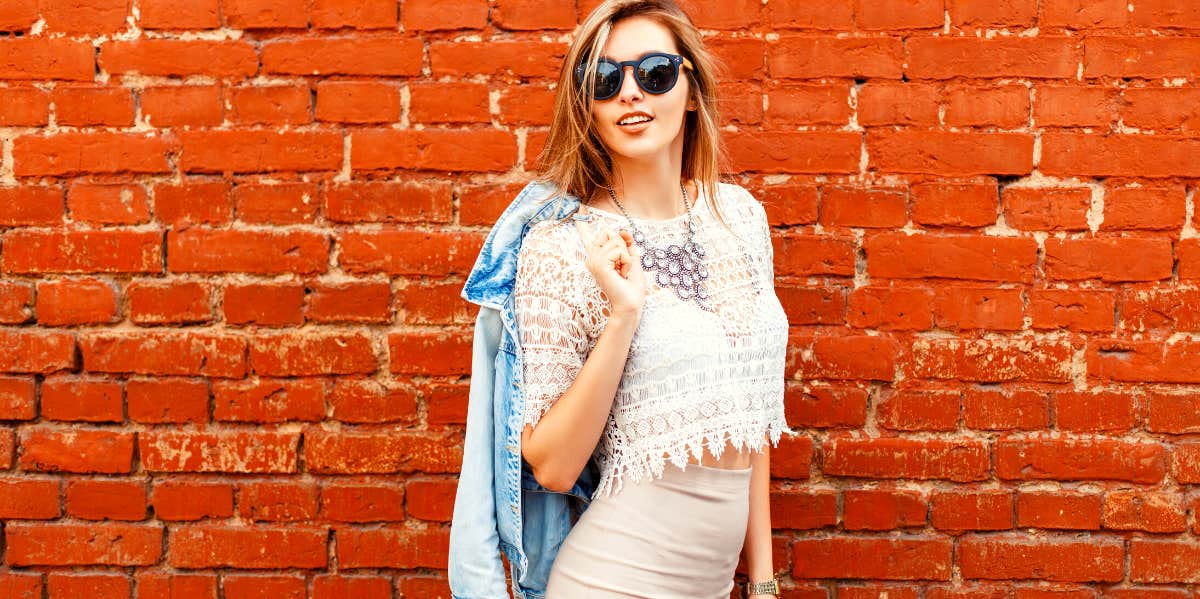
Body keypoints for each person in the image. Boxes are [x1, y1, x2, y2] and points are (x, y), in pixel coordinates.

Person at [448, 1, 791, 597]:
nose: (630, 93)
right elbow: (551, 467)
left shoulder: (739, 218)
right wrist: (622, 317)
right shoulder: (563, 247)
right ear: (587, 108)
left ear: (690, 90)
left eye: (654, 73)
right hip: (613, 580)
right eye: (605, 81)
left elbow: (749, 420)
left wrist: (762, 584)